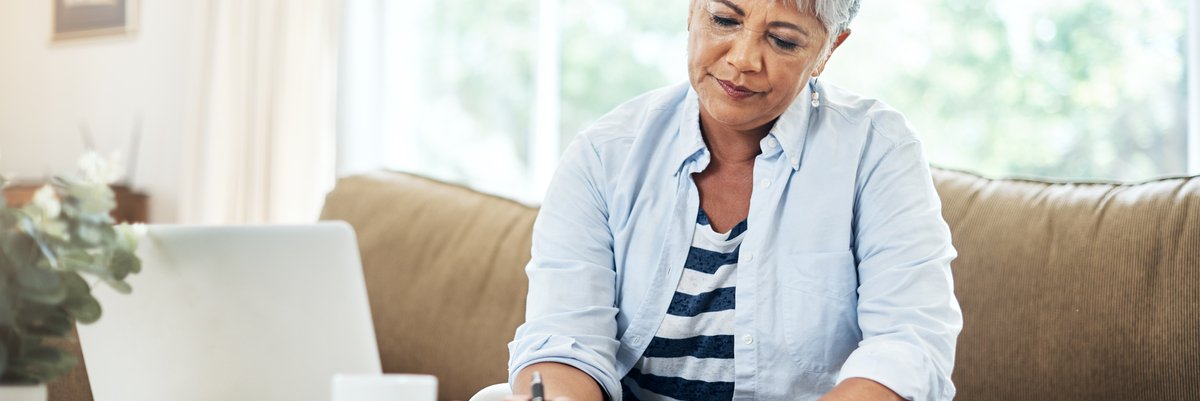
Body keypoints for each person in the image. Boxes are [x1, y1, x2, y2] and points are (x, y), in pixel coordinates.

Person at [506, 0, 962, 400]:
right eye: (724, 19)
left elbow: (909, 346)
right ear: (691, 11)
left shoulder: (877, 149)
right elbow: (564, 341)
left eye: (783, 41)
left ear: (829, 50)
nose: (743, 60)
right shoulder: (604, 154)